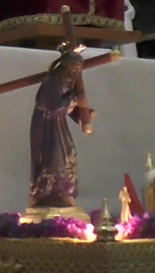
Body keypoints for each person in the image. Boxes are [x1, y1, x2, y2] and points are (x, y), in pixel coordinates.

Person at [29, 49, 93, 208]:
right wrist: (75, 99)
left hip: (58, 123)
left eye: (78, 69)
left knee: (68, 154)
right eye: (73, 68)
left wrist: (83, 116)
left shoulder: (69, 81)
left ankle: (66, 194)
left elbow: (67, 107)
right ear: (64, 66)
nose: (75, 72)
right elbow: (54, 107)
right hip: (45, 125)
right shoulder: (50, 82)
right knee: (53, 158)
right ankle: (46, 194)